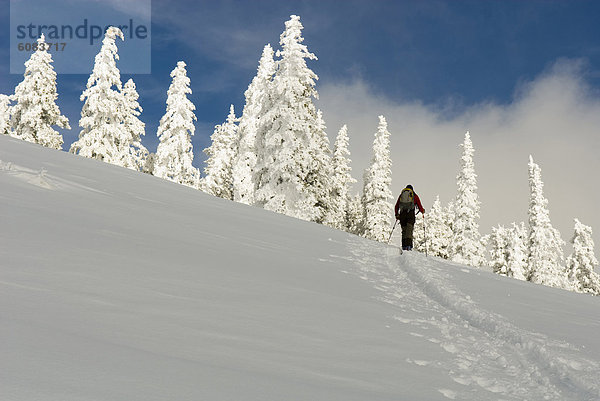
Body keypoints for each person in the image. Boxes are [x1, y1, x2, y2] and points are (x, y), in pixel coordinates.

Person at [394, 184, 425, 251]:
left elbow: (396, 206)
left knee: (404, 230)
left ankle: (404, 246)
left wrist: (396, 214)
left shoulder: (401, 196)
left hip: (402, 215)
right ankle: (409, 246)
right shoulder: (414, 196)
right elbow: (419, 206)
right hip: (410, 215)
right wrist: (422, 211)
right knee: (409, 230)